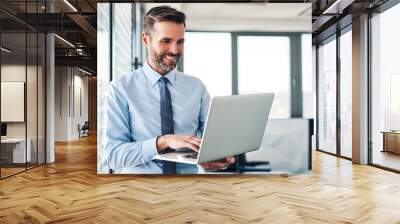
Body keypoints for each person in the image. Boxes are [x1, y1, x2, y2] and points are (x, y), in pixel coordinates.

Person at [104, 5, 235, 174]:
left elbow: (212, 140)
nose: (174, 50)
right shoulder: (121, 88)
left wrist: (217, 157)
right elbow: (113, 156)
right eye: (166, 41)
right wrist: (162, 142)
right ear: (145, 39)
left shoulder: (196, 87)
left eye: (180, 42)